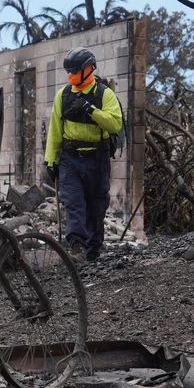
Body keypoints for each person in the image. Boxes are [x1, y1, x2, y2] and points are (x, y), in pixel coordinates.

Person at [44, 47, 122, 262]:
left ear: (88, 69)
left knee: (96, 205)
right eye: (68, 72)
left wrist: (90, 110)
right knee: (74, 202)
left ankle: (93, 251)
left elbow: (115, 124)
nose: (71, 76)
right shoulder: (63, 95)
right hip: (70, 158)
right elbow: (54, 130)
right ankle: (77, 246)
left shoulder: (104, 94)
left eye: (74, 71)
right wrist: (51, 160)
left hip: (97, 159)